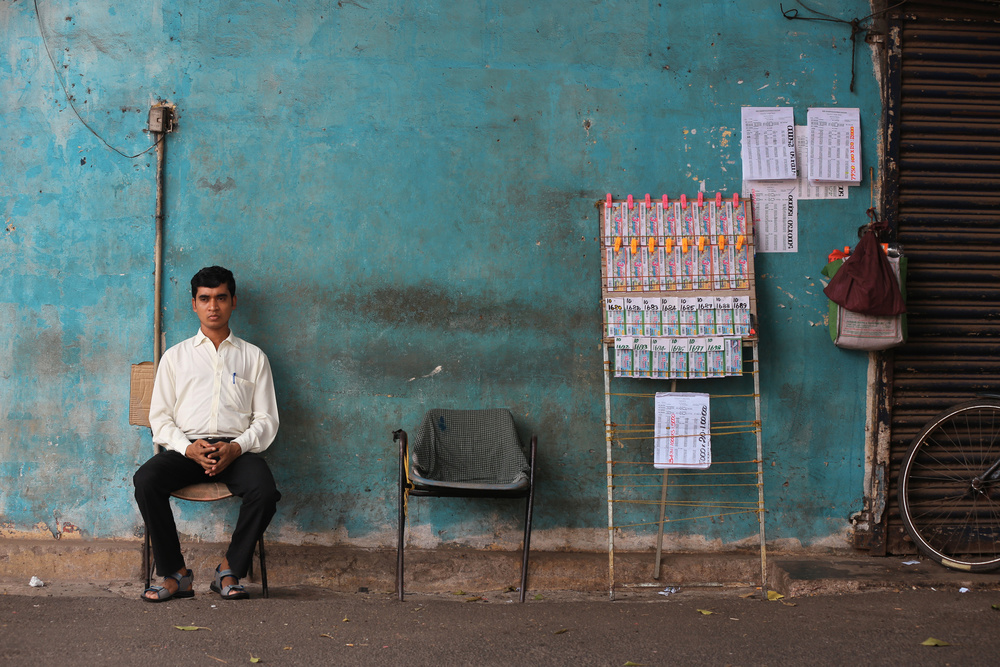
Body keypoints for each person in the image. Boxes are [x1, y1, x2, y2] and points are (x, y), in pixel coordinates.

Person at [134, 266, 280, 602]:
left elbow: (266, 419)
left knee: (265, 490)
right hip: (188, 448)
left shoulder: (253, 357)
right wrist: (187, 448)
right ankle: (176, 575)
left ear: (233, 302)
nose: (213, 306)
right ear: (194, 304)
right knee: (146, 480)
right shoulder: (175, 357)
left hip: (235, 450)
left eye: (220, 298)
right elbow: (161, 418)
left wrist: (236, 447)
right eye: (205, 298)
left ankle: (228, 570)